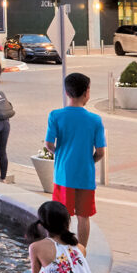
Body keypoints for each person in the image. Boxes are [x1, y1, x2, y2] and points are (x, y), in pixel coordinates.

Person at [44, 71, 105, 249]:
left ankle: (62, 249)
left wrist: (61, 155)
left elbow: (48, 144)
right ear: (87, 92)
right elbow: (100, 152)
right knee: (83, 216)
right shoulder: (95, 119)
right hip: (85, 175)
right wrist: (88, 161)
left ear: (67, 92)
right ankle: (81, 252)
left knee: (62, 215)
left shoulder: (55, 115)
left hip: (63, 174)